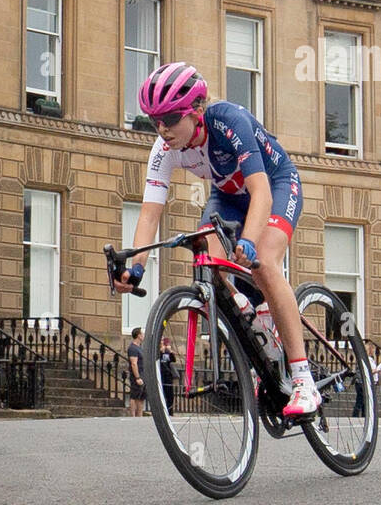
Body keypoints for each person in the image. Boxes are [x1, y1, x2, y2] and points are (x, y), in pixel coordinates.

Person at [113, 63, 320, 417]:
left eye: (170, 118)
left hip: (274, 184)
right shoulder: (163, 150)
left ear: (195, 111)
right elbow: (149, 214)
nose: (162, 129)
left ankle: (303, 379)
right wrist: (135, 267)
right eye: (154, 120)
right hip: (226, 195)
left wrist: (251, 241)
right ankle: (257, 335)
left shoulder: (228, 121)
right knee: (208, 263)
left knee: (265, 262)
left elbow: (261, 194)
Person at [126, 327, 146, 418]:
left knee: (141, 396)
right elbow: (134, 364)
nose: (143, 335)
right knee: (134, 395)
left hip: (143, 374)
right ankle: (133, 416)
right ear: (138, 335)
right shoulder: (133, 348)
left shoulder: (140, 348)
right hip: (137, 376)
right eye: (142, 334)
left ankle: (140, 415)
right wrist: (137, 377)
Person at [158, 337, 177, 416]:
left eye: (163, 341)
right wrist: (160, 352)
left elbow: (173, 360)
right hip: (160, 374)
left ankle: (170, 411)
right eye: (161, 340)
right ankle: (162, 412)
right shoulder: (157, 352)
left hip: (168, 375)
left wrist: (171, 352)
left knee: (170, 395)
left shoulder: (167, 352)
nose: (162, 342)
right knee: (161, 394)